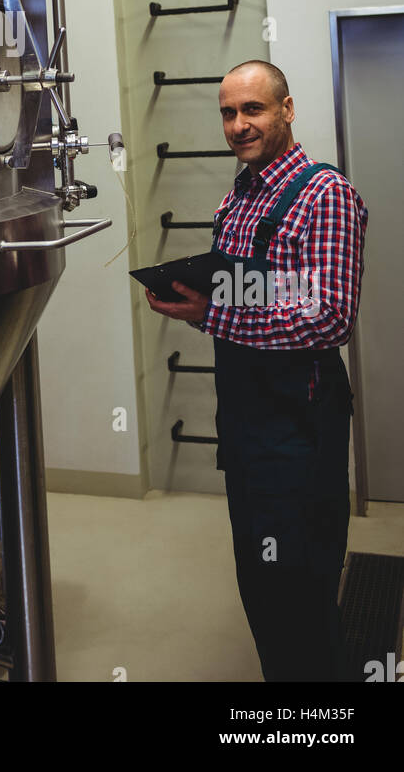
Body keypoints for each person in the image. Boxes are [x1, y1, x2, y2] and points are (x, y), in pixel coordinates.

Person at [145, 60, 367, 682]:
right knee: (263, 590)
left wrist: (211, 316)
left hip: (301, 429)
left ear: (287, 110)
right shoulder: (238, 198)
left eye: (254, 110)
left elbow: (326, 318)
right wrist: (194, 303)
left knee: (303, 592)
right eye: (228, 112)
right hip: (246, 426)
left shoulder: (326, 195)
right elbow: (254, 298)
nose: (239, 125)